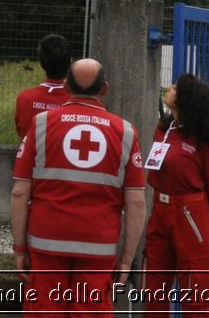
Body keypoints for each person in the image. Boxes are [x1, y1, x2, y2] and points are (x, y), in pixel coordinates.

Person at [10, 58, 147, 316]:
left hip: (46, 241)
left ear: (65, 86)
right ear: (104, 88)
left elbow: (20, 191)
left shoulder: (40, 125)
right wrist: (127, 259)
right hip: (99, 245)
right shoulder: (126, 132)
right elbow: (137, 202)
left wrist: (19, 247)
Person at [141, 74, 209, 318]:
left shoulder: (204, 139)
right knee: (155, 287)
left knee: (196, 288)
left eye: (176, 87)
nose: (170, 88)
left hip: (190, 213)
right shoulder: (165, 128)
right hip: (160, 209)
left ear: (186, 99)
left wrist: (200, 218)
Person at [15, 33, 73, 141]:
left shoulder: (24, 98)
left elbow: (21, 132)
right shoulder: (76, 101)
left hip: (32, 156)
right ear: (71, 62)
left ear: (41, 62)